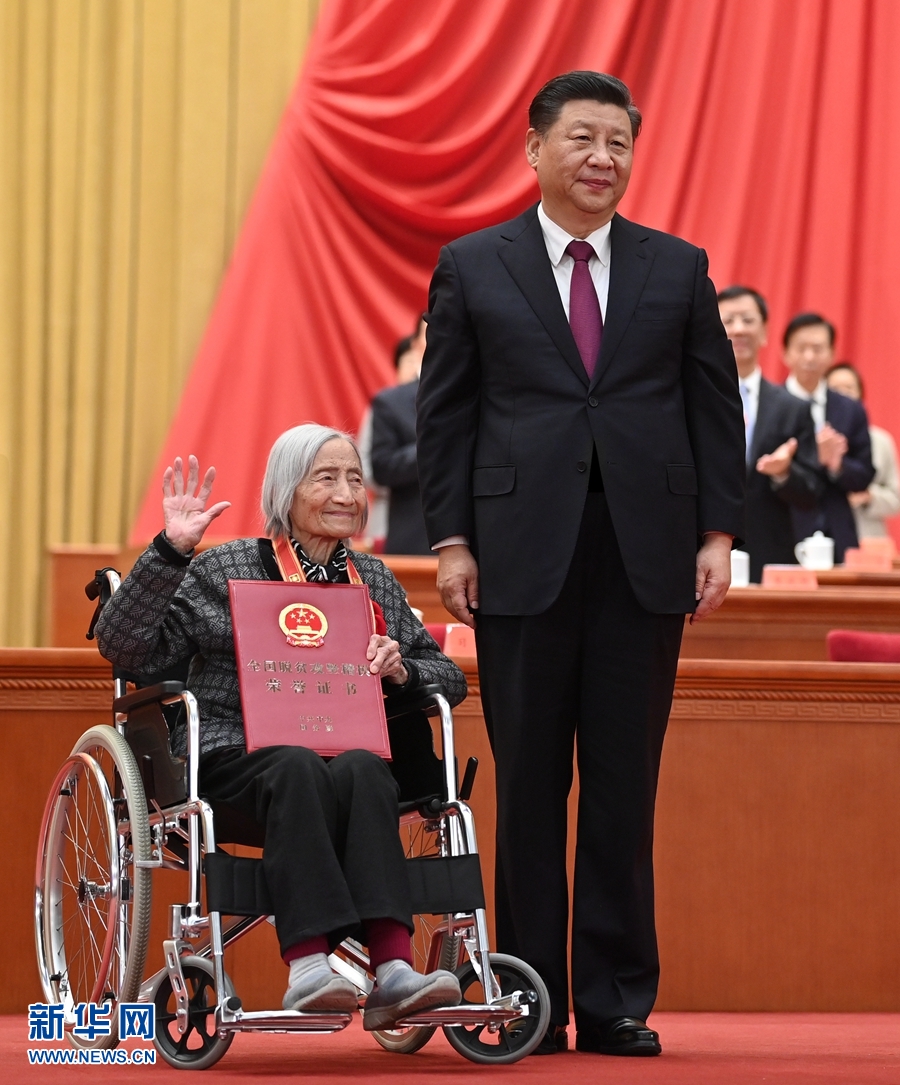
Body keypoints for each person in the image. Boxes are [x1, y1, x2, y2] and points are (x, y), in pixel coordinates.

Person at [416, 71, 745, 1057]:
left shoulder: (677, 267)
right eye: (583, 139)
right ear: (535, 148)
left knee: (622, 784)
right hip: (518, 557)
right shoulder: (473, 265)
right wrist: (452, 540)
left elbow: (712, 408)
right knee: (527, 786)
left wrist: (718, 535)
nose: (603, 158)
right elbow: (447, 414)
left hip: (646, 558)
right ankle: (527, 992)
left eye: (619, 143)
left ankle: (612, 999)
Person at [95, 424, 466, 1029]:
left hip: (342, 755)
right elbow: (125, 647)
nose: (346, 493)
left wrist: (402, 669)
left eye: (354, 479)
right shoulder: (226, 568)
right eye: (327, 478)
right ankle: (310, 967)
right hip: (234, 754)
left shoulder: (371, 579)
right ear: (286, 491)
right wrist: (170, 550)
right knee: (296, 764)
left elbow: (448, 678)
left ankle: (395, 970)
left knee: (367, 769)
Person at [717, 286, 821, 582]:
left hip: (771, 555)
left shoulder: (793, 408)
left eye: (748, 320)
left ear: (764, 332)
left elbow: (812, 492)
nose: (739, 328)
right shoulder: (692, 401)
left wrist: (784, 473)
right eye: (728, 320)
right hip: (703, 553)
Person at [782, 313, 875, 561]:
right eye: (801, 348)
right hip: (783, 531)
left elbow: (865, 474)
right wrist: (812, 458)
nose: (809, 357)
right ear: (786, 354)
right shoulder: (770, 405)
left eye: (817, 349)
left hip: (838, 535)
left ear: (832, 354)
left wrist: (837, 465)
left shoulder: (850, 408)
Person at [371, 316, 431, 554]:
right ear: (415, 345)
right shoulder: (391, 403)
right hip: (415, 544)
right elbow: (381, 468)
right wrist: (433, 447)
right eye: (432, 334)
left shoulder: (486, 396)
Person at [826, 362, 900, 539]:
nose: (843, 395)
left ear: (861, 394)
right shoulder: (813, 436)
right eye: (835, 389)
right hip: (823, 539)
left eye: (849, 388)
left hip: (868, 538)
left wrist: (868, 497)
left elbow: (896, 497)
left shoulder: (880, 441)